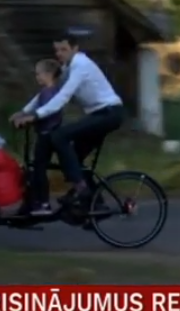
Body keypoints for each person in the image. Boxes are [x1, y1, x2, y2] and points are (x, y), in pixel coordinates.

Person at [10, 32, 124, 208]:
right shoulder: (67, 68)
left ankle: (79, 187)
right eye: (57, 50)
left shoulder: (81, 66)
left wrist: (36, 115)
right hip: (97, 114)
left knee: (60, 136)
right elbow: (49, 91)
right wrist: (23, 111)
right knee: (75, 159)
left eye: (63, 49)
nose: (59, 54)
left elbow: (63, 97)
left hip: (109, 113)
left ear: (75, 48)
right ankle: (95, 203)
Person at [27, 58, 64, 216]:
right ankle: (40, 201)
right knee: (38, 168)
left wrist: (31, 120)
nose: (37, 77)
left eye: (39, 74)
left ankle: (43, 203)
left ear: (49, 74)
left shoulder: (49, 93)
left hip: (46, 135)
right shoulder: (47, 92)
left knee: (39, 168)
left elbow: (47, 114)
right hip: (45, 133)